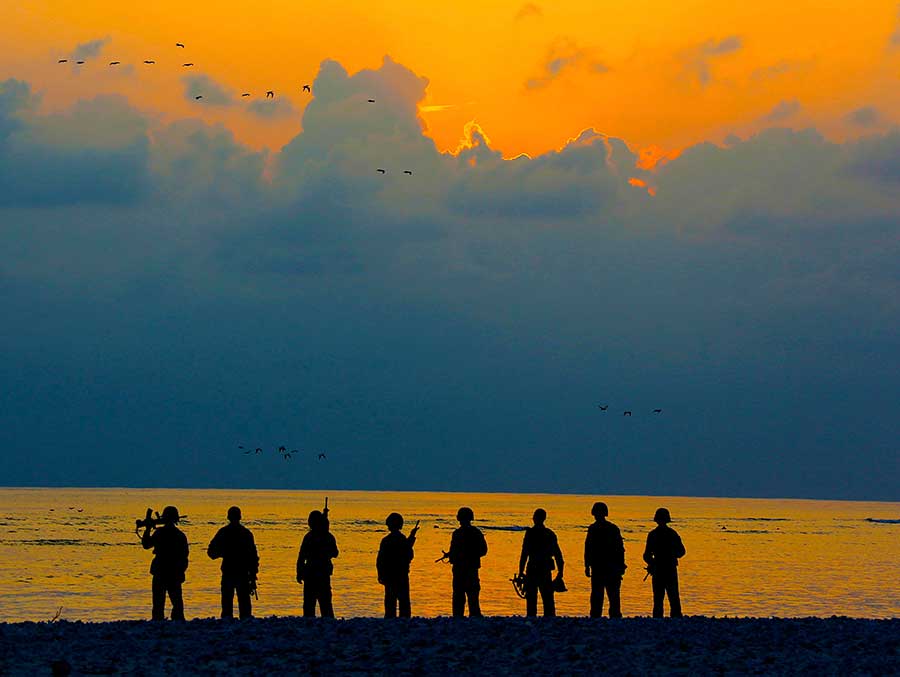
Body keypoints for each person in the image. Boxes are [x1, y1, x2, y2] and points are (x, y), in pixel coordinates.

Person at [207, 506, 259, 619]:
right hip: (241, 572)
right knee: (243, 604)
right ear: (240, 517)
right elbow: (253, 557)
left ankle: (229, 622)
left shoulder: (224, 532)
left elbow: (211, 552)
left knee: (228, 603)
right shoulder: (246, 533)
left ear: (228, 517)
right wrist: (253, 574)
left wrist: (224, 553)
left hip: (231, 571)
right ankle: (244, 623)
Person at [141, 505, 189, 621]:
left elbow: (146, 544)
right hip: (174, 572)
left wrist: (147, 529)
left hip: (160, 570)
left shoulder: (160, 533)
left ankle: (158, 623)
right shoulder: (180, 535)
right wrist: (181, 571)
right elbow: (185, 556)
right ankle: (178, 623)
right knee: (177, 603)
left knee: (158, 603)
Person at [518, 508, 564, 617]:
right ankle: (549, 619)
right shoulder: (550, 534)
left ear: (534, 518)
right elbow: (558, 554)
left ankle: (532, 618)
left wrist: (521, 570)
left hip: (533, 569)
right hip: (544, 569)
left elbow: (524, 553)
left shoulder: (530, 533)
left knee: (532, 598)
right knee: (547, 598)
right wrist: (560, 571)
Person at [584, 501, 626, 618]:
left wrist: (587, 566)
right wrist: (621, 565)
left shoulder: (594, 529)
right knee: (611, 595)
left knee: (601, 595)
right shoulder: (612, 528)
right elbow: (620, 549)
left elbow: (588, 548)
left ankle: (597, 616)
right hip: (608, 567)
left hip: (602, 567)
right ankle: (613, 616)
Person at [643, 507, 686, 618]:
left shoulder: (653, 534)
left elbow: (646, 555)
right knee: (673, 597)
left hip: (660, 569)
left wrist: (652, 562)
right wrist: (671, 556)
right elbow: (681, 552)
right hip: (669, 568)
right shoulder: (672, 534)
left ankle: (658, 620)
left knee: (659, 598)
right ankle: (676, 620)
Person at [296, 509, 339, 617]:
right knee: (325, 603)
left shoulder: (309, 537)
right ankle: (327, 622)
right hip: (321, 572)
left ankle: (310, 622)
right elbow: (335, 553)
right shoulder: (328, 536)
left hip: (311, 572)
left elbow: (301, 557)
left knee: (310, 604)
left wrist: (299, 572)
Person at [447, 506, 488, 617]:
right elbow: (484, 550)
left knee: (459, 597)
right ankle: (473, 617)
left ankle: (458, 618)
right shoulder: (476, 532)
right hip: (471, 569)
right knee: (472, 596)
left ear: (459, 518)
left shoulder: (457, 534)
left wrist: (454, 556)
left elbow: (453, 552)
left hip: (461, 570)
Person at [376, 512, 419, 618]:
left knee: (390, 601)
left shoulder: (386, 540)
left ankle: (391, 619)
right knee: (404, 601)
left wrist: (380, 574)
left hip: (390, 575)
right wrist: (411, 537)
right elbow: (409, 555)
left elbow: (380, 560)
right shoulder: (402, 539)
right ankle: (404, 620)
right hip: (401, 575)